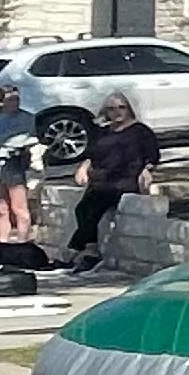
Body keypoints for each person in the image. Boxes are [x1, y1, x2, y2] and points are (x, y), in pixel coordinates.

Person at [67, 92, 159, 269]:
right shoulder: (103, 132)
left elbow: (153, 155)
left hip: (125, 179)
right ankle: (86, 249)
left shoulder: (140, 131)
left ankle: (84, 250)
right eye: (111, 109)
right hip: (101, 179)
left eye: (121, 107)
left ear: (129, 109)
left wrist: (147, 171)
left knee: (92, 205)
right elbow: (91, 154)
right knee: (82, 209)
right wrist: (83, 167)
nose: (117, 112)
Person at [0, 87, 35, 246]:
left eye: (16, 99)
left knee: (19, 207)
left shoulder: (26, 118)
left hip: (13, 165)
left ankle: (23, 240)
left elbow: (27, 139)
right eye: (10, 99)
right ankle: (3, 241)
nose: (15, 103)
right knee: (2, 208)